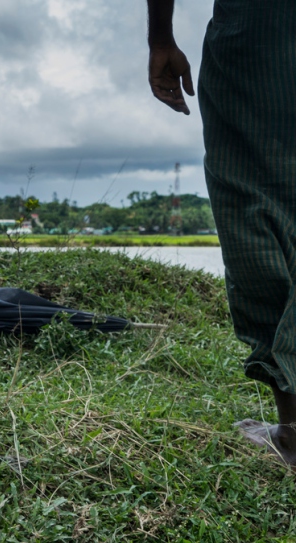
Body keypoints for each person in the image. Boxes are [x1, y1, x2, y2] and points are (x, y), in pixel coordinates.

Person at [146, 0, 296, 463]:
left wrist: (161, 38)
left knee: (253, 205)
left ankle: (292, 429)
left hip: (258, 36)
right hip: (258, 38)